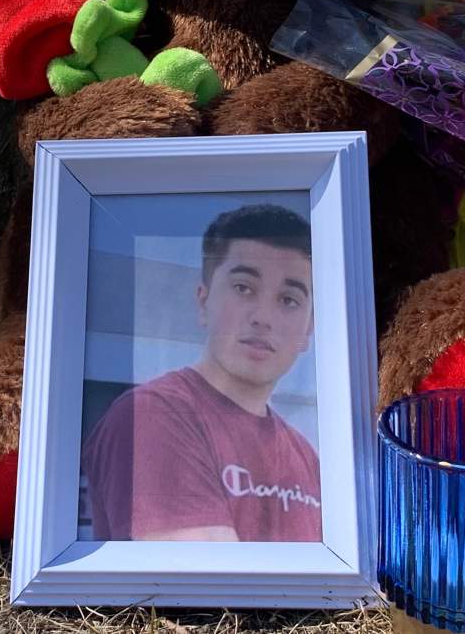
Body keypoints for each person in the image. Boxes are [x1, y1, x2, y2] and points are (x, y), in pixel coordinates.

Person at [81, 203, 322, 542]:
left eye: (289, 300)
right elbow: (203, 589)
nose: (263, 316)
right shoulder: (153, 416)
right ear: (203, 302)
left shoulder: (306, 456)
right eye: (243, 287)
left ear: (308, 330)